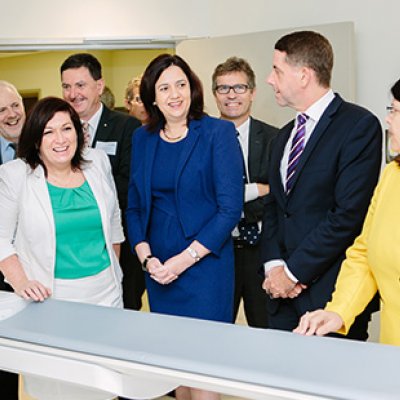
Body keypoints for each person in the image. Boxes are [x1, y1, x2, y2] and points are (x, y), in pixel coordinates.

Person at [126, 54, 243, 400]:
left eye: (181, 85)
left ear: (192, 89)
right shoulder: (142, 139)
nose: (174, 94)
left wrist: (183, 260)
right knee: (174, 370)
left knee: (204, 373)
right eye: (164, 88)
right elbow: (134, 207)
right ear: (152, 97)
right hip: (159, 271)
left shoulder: (217, 133)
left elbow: (229, 210)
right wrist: (147, 258)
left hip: (204, 269)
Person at [0, 96, 124, 400]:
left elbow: (114, 225)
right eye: (49, 132)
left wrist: (114, 273)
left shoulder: (98, 163)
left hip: (105, 297)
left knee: (102, 386)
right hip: (51, 300)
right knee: (60, 389)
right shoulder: (16, 175)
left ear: (78, 132)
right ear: (36, 139)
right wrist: (22, 283)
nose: (60, 139)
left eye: (66, 128)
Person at [261, 30, 382, 339]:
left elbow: (347, 216)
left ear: (304, 75)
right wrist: (274, 267)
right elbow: (275, 207)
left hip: (330, 300)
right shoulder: (283, 136)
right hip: (280, 299)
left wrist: (292, 273)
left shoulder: (359, 126)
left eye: (277, 70)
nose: (269, 79)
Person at [294, 79, 400, 346]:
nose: (388, 120)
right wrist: (338, 311)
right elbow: (364, 253)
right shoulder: (391, 176)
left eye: (395, 111)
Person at [60, 53, 144, 311]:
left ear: (99, 85)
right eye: (66, 86)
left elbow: (130, 184)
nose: (73, 94)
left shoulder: (127, 127)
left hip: (119, 242)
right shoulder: (58, 130)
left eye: (81, 85)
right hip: (72, 248)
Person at [212, 56, 278, 328]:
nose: (231, 96)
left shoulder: (276, 137)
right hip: (218, 249)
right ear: (214, 94)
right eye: (223, 88)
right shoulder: (202, 137)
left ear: (252, 92)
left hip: (260, 250)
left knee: (266, 329)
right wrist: (257, 189)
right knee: (217, 328)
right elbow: (206, 195)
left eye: (239, 88)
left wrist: (262, 191)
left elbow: (280, 194)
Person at [0, 80, 25, 400]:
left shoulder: (46, 144)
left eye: (14, 105)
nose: (10, 114)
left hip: (39, 267)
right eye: (1, 110)